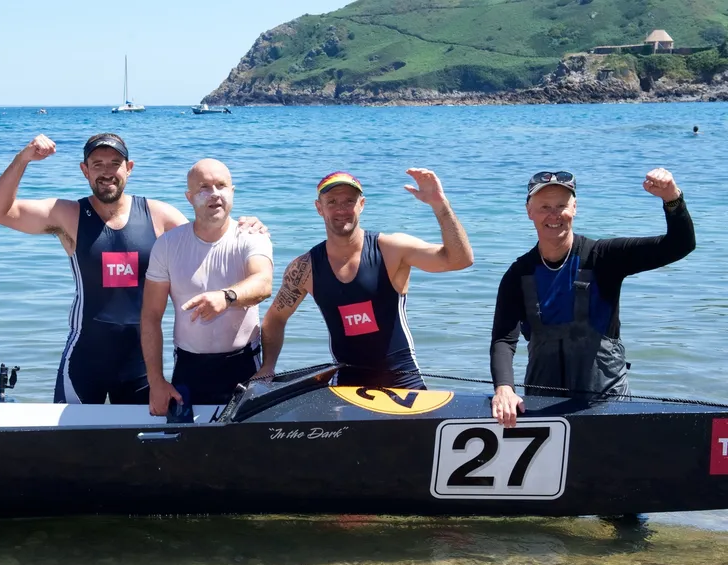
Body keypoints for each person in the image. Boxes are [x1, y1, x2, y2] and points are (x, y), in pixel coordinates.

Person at [0, 133, 266, 404]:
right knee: (69, 443)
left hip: (141, 363)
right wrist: (23, 159)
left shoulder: (159, 216)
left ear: (129, 169)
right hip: (84, 357)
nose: (107, 172)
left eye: (115, 164)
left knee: (142, 446)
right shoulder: (68, 215)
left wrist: (248, 225)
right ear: (85, 170)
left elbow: (210, 233)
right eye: (97, 165)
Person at [489, 169, 695, 426]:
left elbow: (680, 245)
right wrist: (504, 388)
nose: (554, 215)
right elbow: (503, 340)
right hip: (543, 410)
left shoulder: (603, 257)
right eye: (544, 207)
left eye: (561, 206)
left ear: (574, 208)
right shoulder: (518, 275)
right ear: (529, 211)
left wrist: (672, 198)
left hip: (607, 407)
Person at [255, 170, 473, 388]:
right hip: (347, 386)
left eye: (349, 201)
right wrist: (268, 367)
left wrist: (439, 204)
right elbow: (275, 319)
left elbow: (459, 260)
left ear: (362, 204)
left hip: (405, 383)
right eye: (332, 202)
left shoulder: (391, 249)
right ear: (319, 208)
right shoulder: (305, 268)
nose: (341, 209)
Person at [141, 159, 273, 415]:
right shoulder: (168, 244)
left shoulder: (251, 236)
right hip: (189, 365)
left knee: (246, 448)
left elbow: (263, 283)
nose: (214, 194)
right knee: (185, 449)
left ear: (232, 192)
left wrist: (227, 297)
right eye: (204, 188)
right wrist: (156, 381)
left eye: (221, 186)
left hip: (244, 364)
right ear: (189, 197)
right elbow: (150, 316)